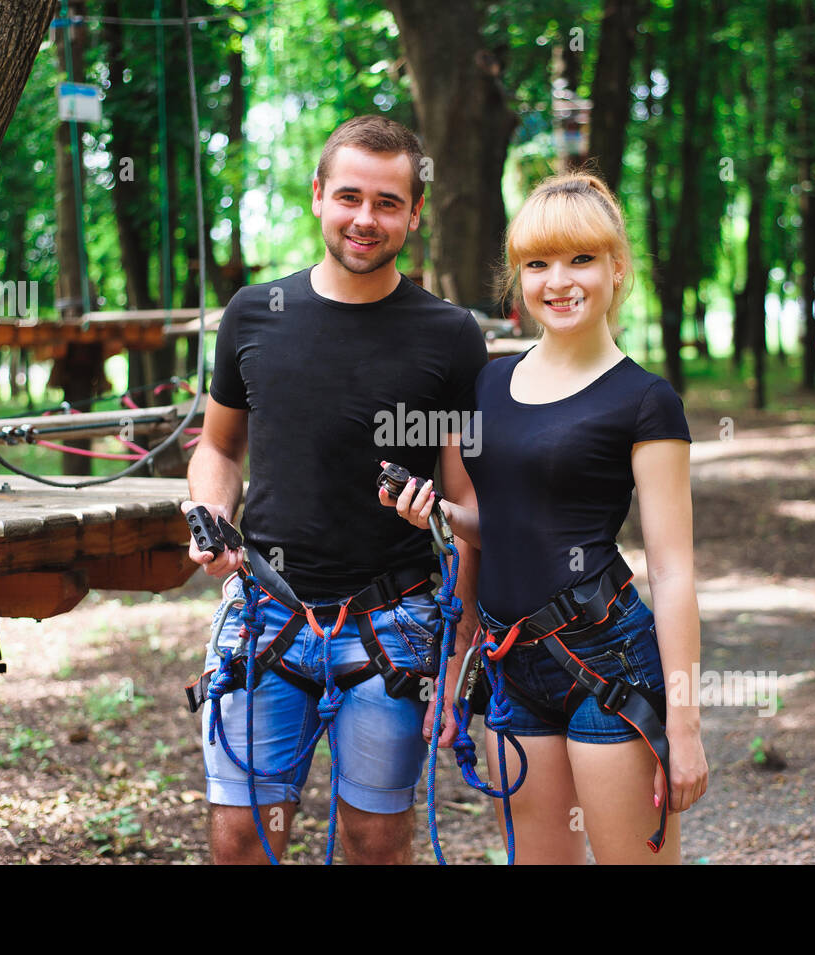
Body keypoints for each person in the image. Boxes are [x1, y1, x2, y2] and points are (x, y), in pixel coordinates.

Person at [184, 115, 486, 865]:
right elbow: (218, 446)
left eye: (389, 202)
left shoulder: (450, 335)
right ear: (318, 194)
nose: (365, 218)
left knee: (375, 840)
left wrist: (460, 654)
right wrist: (209, 513)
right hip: (265, 610)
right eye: (349, 195)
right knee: (240, 839)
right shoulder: (254, 313)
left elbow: (475, 510)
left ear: (415, 214)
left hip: (395, 622)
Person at [382, 172, 708, 864]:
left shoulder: (646, 402)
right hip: (510, 666)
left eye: (580, 259)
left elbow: (674, 571)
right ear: (518, 276)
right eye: (537, 263)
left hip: (606, 659)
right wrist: (437, 513)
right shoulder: (489, 384)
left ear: (617, 268)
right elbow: (498, 524)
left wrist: (685, 723)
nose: (558, 281)